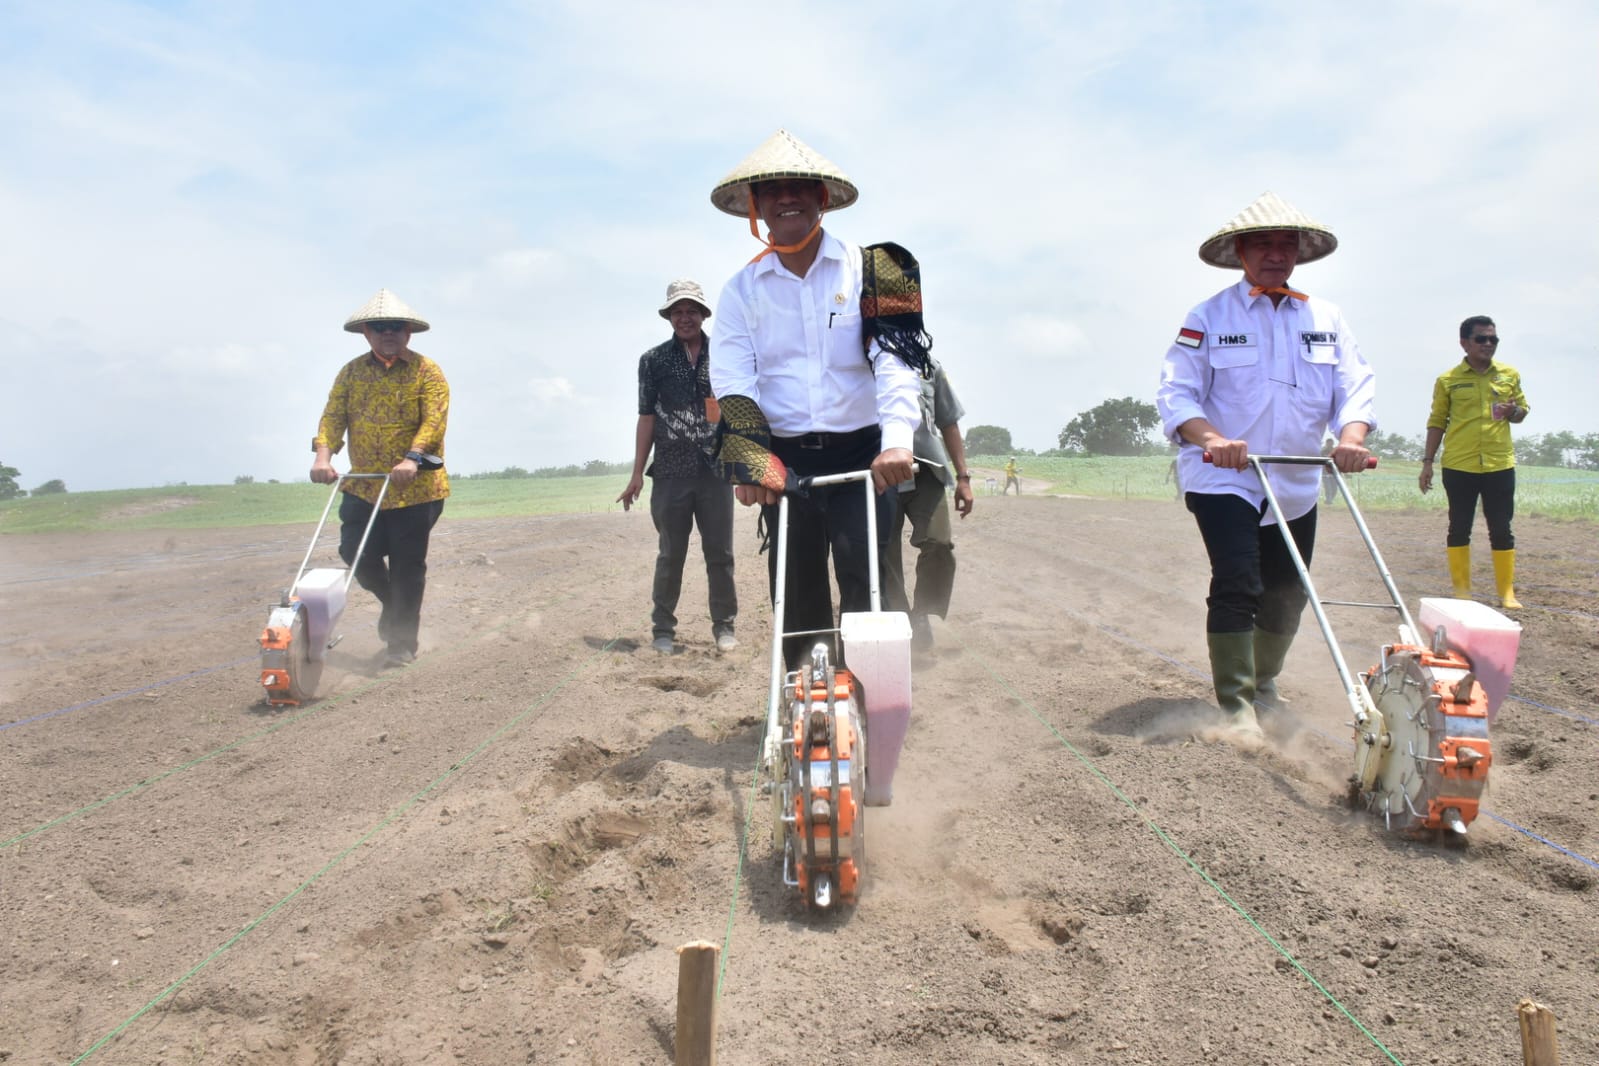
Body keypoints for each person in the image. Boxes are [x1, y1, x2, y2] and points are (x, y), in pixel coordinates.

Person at [1156, 192, 1375, 739]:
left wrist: (1350, 437)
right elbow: (1177, 394)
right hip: (1224, 475)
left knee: (1287, 590)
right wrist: (1213, 438)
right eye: (1264, 244)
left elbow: (1355, 386)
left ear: (1299, 251)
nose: (1276, 254)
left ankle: (1263, 684)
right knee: (1239, 580)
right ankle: (1236, 707)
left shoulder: (1327, 318)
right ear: (1241, 251)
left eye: (1286, 244)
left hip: (1296, 476)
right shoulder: (1208, 317)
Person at [707, 129, 922, 669]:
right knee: (797, 595)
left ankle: (879, 702)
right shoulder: (740, 292)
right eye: (771, 190)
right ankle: (805, 711)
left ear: (822, 197)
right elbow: (735, 383)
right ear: (755, 207)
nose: (786, 198)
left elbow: (898, 362)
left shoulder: (879, 269)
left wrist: (896, 442)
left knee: (869, 582)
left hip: (865, 458)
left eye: (799, 186)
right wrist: (753, 463)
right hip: (788, 461)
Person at [311, 289, 450, 667]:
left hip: (416, 489)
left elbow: (434, 420)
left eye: (396, 327)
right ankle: (392, 604)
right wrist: (323, 456)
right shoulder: (351, 373)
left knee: (407, 565)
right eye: (380, 327)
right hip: (365, 484)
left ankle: (401, 645)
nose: (388, 333)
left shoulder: (427, 372)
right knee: (356, 553)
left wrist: (412, 458)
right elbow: (333, 417)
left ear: (408, 332)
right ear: (366, 333)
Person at [617, 279, 739, 655]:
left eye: (691, 310)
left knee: (720, 553)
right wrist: (637, 473)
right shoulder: (652, 361)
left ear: (704, 314)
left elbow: (738, 410)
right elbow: (646, 418)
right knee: (671, 553)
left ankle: (724, 627)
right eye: (677, 311)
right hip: (669, 471)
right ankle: (663, 629)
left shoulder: (726, 355)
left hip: (715, 471)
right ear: (669, 317)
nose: (684, 317)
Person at [1419, 316, 1529, 609]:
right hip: (1459, 464)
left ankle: (1507, 593)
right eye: (1481, 339)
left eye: (1493, 339)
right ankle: (1462, 592)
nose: (1488, 344)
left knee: (1502, 527)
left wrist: (1513, 411)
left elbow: (1522, 411)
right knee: (1459, 527)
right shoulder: (1448, 380)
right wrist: (1427, 462)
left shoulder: (1509, 374)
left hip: (1499, 463)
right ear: (1464, 343)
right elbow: (1437, 421)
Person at [883, 357, 975, 652]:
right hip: (877, 472)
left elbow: (948, 421)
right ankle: (898, 623)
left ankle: (924, 614)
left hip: (927, 470)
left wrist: (963, 478)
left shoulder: (927, 366)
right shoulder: (858, 363)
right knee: (883, 553)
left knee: (938, 542)